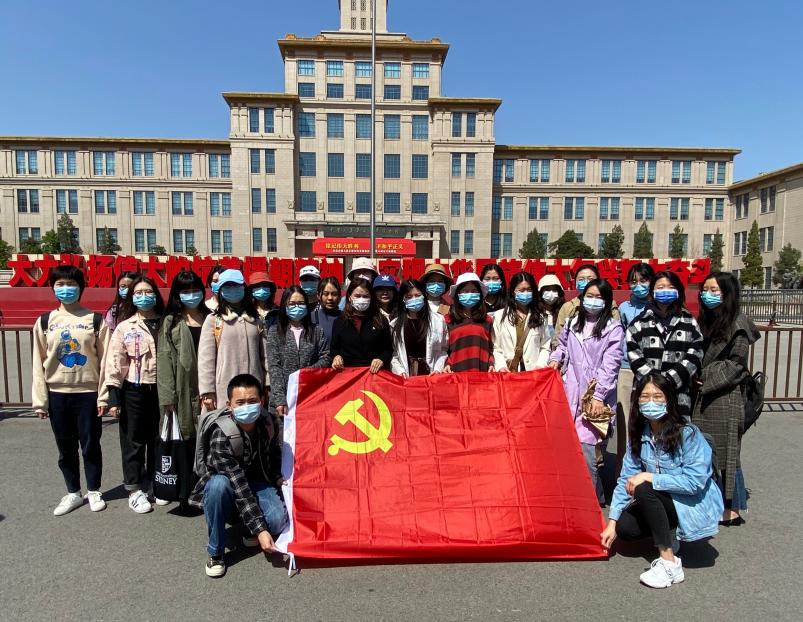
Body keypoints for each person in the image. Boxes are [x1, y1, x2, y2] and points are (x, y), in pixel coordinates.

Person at [601, 373, 723, 589]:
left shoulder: (688, 434)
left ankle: (670, 564)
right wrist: (612, 522)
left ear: (669, 400)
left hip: (694, 505)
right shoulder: (639, 435)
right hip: (667, 500)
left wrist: (649, 476)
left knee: (644, 488)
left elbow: (694, 482)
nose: (651, 402)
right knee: (625, 528)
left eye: (657, 396)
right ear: (637, 401)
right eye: (645, 396)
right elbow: (626, 478)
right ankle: (670, 531)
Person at [190, 374, 287, 578]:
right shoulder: (220, 433)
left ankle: (248, 527)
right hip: (229, 485)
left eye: (252, 401)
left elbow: (274, 454)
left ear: (262, 401)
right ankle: (215, 551)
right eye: (240, 402)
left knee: (278, 521)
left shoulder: (269, 422)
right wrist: (261, 530)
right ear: (229, 405)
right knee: (217, 486)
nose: (247, 407)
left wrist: (277, 476)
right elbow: (238, 485)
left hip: (257, 481)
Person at [32, 265, 109, 516]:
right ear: (52, 288)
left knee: (90, 445)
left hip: (88, 394)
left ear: (81, 287)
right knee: (65, 447)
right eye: (60, 284)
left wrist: (104, 396)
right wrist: (40, 401)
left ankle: (94, 490)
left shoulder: (94, 320)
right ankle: (73, 492)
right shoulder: (45, 322)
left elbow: (106, 361)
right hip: (58, 393)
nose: (66, 289)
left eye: (71, 284)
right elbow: (38, 362)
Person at [549, 278, 623, 505]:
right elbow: (561, 346)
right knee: (568, 447)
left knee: (587, 450)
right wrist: (555, 359)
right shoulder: (572, 322)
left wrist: (599, 396)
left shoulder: (613, 329)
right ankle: (582, 495)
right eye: (589, 296)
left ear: (607, 301)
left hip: (594, 396)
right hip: (570, 391)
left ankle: (589, 501)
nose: (593, 301)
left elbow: (611, 366)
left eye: (599, 297)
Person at [694, 272, 760, 525]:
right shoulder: (706, 320)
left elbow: (736, 366)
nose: (707, 295)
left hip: (726, 396)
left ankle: (733, 507)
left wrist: (706, 380)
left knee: (728, 454)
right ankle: (713, 501)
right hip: (704, 396)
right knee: (707, 451)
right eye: (705, 290)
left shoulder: (738, 324)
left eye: (714, 290)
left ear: (727, 294)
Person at [105, 275, 165, 514]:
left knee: (158, 439)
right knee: (134, 441)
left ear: (156, 295)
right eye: (138, 293)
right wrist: (113, 396)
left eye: (148, 292)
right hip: (134, 390)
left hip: (162, 389)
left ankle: (155, 482)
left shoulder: (166, 322)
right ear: (132, 297)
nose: (144, 296)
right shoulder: (125, 327)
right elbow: (116, 362)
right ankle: (135, 488)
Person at [157, 270, 209, 506]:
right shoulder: (171, 322)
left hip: (208, 387)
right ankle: (185, 492)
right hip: (182, 390)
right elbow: (164, 360)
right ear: (177, 294)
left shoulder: (210, 318)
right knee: (185, 438)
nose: (191, 295)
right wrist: (168, 397)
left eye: (195, 290)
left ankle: (206, 490)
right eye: (185, 291)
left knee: (207, 440)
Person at [626, 271, 703, 420]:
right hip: (646, 394)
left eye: (670, 287)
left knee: (678, 432)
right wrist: (655, 384)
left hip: (679, 395)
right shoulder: (639, 323)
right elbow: (634, 357)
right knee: (645, 432)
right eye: (660, 287)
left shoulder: (689, 322)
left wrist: (669, 381)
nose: (665, 290)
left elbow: (695, 355)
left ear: (678, 291)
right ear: (652, 291)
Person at [198, 269, 269, 411]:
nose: (233, 290)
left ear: (244, 288)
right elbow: (206, 359)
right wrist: (207, 391)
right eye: (228, 287)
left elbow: (265, 356)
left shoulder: (256, 320)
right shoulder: (213, 320)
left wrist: (267, 383)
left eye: (236, 286)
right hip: (223, 389)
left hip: (253, 387)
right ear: (221, 291)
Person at [266, 286, 331, 417]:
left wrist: (306, 372)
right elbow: (274, 366)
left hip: (310, 394)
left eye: (301, 303)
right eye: (292, 304)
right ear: (285, 306)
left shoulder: (317, 330)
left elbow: (326, 357)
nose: (297, 307)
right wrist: (279, 399)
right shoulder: (275, 332)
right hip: (285, 398)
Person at [618, 263, 656, 421]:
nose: (638, 285)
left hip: (652, 367)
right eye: (633, 282)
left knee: (651, 413)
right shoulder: (623, 308)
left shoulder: (658, 306)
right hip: (627, 367)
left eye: (643, 280)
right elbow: (619, 337)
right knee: (625, 415)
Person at [331, 278, 392, 373]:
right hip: (348, 374)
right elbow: (334, 348)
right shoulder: (340, 322)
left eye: (365, 296)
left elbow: (388, 349)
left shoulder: (381, 320)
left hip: (374, 374)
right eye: (357, 296)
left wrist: (381, 359)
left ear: (371, 298)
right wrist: (336, 357)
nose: (361, 299)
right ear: (349, 297)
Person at [492, 271, 550, 372]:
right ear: (513, 291)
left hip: (533, 373)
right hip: (508, 373)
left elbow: (545, 347)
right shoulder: (499, 316)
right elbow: (496, 348)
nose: (525, 293)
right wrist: (501, 366)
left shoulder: (541, 317)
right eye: (521, 290)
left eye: (529, 290)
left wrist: (540, 365)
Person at [390, 279, 448, 377]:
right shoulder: (395, 324)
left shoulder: (438, 320)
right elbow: (395, 354)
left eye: (417, 295)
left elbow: (443, 350)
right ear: (403, 300)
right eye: (409, 297)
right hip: (407, 376)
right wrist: (399, 371)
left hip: (432, 374)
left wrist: (438, 368)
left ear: (424, 296)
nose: (414, 299)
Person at [554, 264, 619, 343]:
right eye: (581, 279)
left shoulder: (609, 304)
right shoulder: (568, 307)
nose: (586, 283)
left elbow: (616, 335)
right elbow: (559, 338)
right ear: (575, 282)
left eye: (590, 279)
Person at [443, 272, 493, 373]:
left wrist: (491, 363)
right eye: (465, 291)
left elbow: (493, 347)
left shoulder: (487, 320)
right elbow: (443, 349)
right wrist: (447, 363)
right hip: (456, 373)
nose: (469, 294)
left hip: (482, 372)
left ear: (480, 294)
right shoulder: (448, 320)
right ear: (457, 294)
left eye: (474, 291)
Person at [310, 276, 341, 342]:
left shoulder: (347, 318)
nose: (330, 298)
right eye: (326, 294)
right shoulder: (311, 318)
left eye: (334, 294)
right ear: (318, 295)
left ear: (339, 296)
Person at [538, 274, 565, 343]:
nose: (551, 293)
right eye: (547, 289)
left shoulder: (564, 312)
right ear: (540, 292)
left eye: (554, 290)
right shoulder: (535, 313)